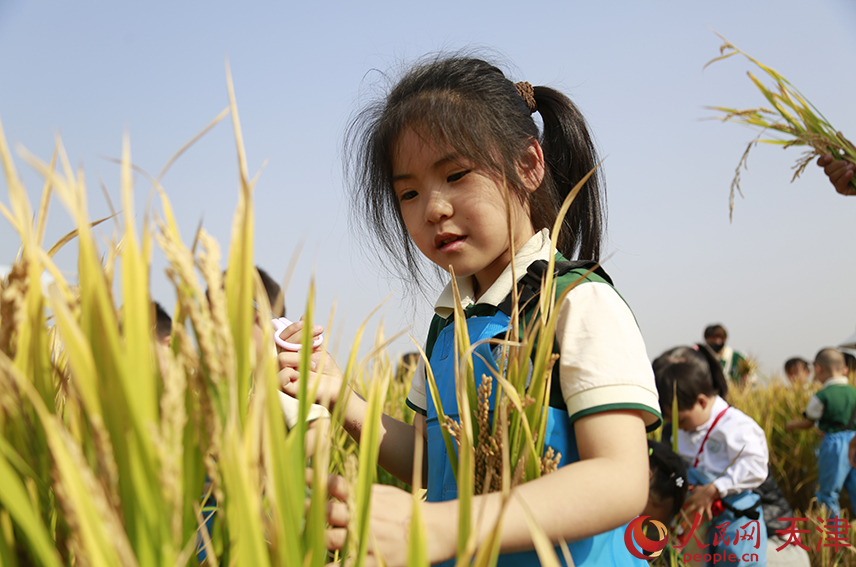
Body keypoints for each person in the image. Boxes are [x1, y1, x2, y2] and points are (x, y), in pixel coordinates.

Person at [278, 55, 661, 566]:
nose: (432, 208)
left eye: (456, 174)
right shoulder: (449, 325)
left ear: (528, 166)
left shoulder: (576, 303)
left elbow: (620, 478)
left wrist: (442, 526)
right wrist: (340, 396)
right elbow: (430, 460)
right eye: (408, 192)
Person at [653, 345, 768, 567]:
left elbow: (756, 466)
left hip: (736, 515)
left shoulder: (736, 426)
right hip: (698, 517)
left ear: (702, 402)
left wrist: (717, 488)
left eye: (682, 421)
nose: (680, 428)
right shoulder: (684, 430)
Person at [785, 348, 856, 517]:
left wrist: (791, 425)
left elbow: (809, 422)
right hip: (854, 441)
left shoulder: (822, 395)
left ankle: (835, 538)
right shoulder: (853, 392)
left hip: (834, 444)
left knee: (828, 494)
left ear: (818, 369)